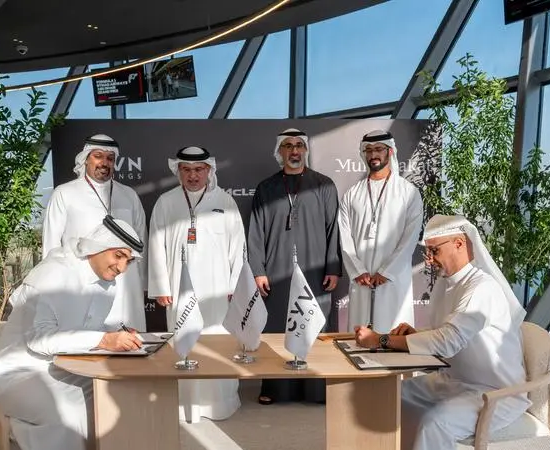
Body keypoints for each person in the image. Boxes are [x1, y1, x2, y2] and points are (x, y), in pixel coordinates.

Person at [355, 214, 529, 450]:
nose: (430, 260)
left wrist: (379, 340)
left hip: (497, 393)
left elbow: (448, 341)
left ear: (460, 244)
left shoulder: (482, 288)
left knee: (435, 421)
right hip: (455, 380)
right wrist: (416, 333)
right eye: (428, 253)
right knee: (398, 397)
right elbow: (448, 335)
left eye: (434, 251)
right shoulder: (452, 285)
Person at [0, 217, 145, 450]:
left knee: (116, 397)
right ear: (98, 246)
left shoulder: (107, 284)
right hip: (17, 371)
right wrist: (103, 342)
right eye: (118, 256)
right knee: (67, 411)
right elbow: (40, 341)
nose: (122, 267)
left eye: (128, 260)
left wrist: (118, 336)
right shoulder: (52, 274)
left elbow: (86, 331)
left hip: (63, 366)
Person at [147, 146, 245, 422]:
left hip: (217, 290)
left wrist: (235, 286)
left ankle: (218, 403)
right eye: (187, 170)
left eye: (199, 169)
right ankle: (184, 403)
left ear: (209, 170)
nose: (193, 175)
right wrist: (160, 287)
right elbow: (156, 245)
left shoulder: (225, 201)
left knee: (217, 341)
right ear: (178, 171)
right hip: (178, 289)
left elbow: (238, 247)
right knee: (183, 341)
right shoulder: (166, 202)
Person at [248, 128, 342, 405]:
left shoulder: (324, 185)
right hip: (277, 271)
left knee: (313, 323)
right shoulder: (266, 188)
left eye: (299, 145)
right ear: (280, 152)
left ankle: (316, 390)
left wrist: (333, 268)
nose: (294, 151)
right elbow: (256, 232)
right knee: (278, 327)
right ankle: (276, 389)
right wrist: (258, 269)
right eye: (288, 146)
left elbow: (332, 230)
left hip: (315, 270)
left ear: (305, 150)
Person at [42, 133, 148, 332]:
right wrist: (53, 285)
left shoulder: (129, 195)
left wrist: (143, 282)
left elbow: (142, 240)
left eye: (110, 158)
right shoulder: (64, 194)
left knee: (132, 345)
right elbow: (51, 244)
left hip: (126, 284)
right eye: (98, 156)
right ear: (85, 159)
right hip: (83, 284)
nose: (104, 163)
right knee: (88, 345)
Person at [338, 129, 423, 332]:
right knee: (358, 338)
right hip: (362, 279)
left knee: (393, 336)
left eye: (379, 149)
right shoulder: (352, 194)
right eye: (368, 150)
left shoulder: (408, 192)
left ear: (390, 152)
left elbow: (410, 237)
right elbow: (344, 236)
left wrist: (387, 272)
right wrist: (358, 271)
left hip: (394, 279)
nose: (373, 155)